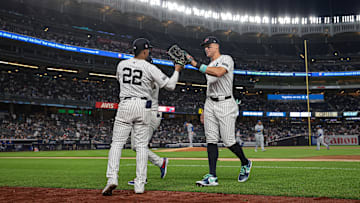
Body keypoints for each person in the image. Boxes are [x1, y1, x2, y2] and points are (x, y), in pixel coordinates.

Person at [102, 38, 183, 195]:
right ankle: (140, 184)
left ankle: (111, 178)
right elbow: (171, 85)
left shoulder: (121, 64)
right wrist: (177, 69)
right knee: (140, 146)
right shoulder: (149, 67)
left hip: (125, 104)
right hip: (143, 106)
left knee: (117, 144)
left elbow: (119, 79)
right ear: (145, 51)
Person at [187, 36, 252, 187]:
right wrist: (204, 110)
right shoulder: (209, 65)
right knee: (211, 140)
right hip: (210, 103)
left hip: (226, 103)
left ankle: (245, 162)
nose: (206, 49)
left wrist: (195, 64)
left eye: (208, 46)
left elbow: (219, 73)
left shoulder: (226, 59)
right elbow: (210, 88)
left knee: (229, 141)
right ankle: (212, 176)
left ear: (216, 46)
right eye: (205, 46)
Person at [127, 83, 168, 186]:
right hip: (141, 114)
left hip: (148, 114)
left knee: (139, 146)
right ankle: (160, 162)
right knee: (135, 146)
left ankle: (141, 178)